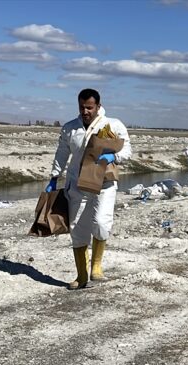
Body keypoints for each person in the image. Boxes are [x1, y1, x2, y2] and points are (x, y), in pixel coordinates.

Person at [45, 88, 132, 290]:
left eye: (89, 107)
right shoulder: (70, 128)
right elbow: (62, 153)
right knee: (77, 228)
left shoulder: (113, 125)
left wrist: (115, 157)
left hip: (104, 184)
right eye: (82, 107)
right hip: (77, 184)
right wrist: (54, 176)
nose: (85, 111)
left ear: (98, 106)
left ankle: (97, 267)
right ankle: (82, 276)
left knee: (101, 223)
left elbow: (127, 149)